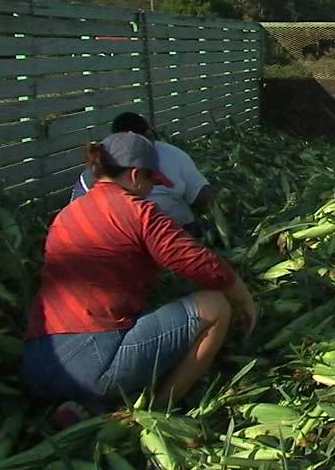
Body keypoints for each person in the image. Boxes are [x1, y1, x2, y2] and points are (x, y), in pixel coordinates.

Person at [23, 132, 257, 422]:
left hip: (37, 364)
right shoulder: (138, 211)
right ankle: (153, 413)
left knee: (132, 318)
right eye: (151, 182)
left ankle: (89, 407)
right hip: (93, 364)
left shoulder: (67, 214)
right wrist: (243, 295)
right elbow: (198, 262)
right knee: (215, 307)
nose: (151, 191)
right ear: (135, 176)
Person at [71, 113, 212, 235]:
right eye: (149, 179)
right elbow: (200, 196)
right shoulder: (140, 215)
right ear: (135, 177)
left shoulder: (100, 162)